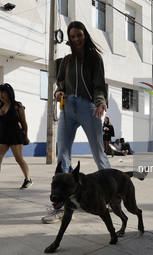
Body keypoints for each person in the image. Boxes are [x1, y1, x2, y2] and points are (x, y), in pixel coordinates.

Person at [43, 21, 111, 223]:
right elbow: (61, 82)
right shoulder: (65, 61)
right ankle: (63, 204)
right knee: (62, 154)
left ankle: (110, 195)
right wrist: (58, 92)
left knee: (98, 152)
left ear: (85, 35)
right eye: (72, 36)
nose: (76, 39)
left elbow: (99, 85)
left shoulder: (94, 59)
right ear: (69, 38)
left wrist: (100, 103)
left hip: (88, 108)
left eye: (79, 35)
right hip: (67, 108)